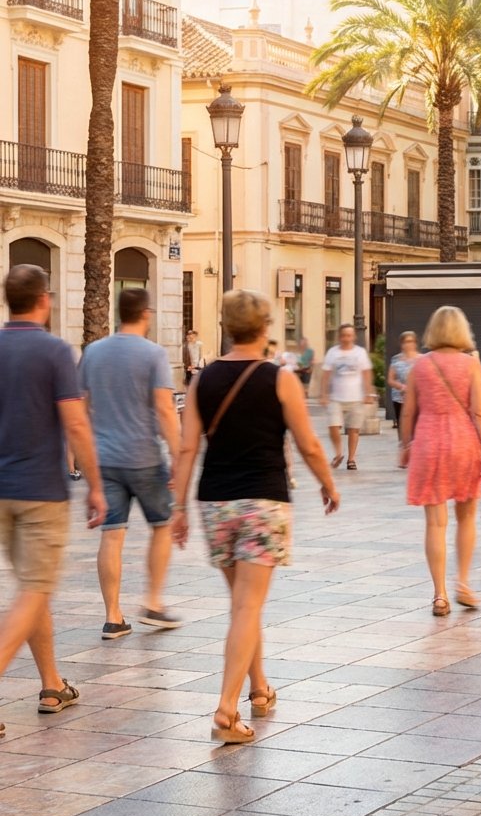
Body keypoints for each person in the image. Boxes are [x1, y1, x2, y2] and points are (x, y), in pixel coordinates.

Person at [171, 289, 340, 744]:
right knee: (248, 605)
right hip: (263, 502)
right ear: (265, 327)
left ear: (225, 326)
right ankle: (226, 710)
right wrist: (327, 482)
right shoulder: (279, 377)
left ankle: (260, 689)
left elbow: (187, 448)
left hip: (215, 503)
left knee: (245, 604)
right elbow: (308, 443)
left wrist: (178, 508)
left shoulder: (201, 380)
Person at [0, 265, 106, 733]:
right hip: (41, 491)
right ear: (44, 299)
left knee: (31, 586)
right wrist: (98, 487)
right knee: (35, 589)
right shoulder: (55, 351)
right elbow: (77, 423)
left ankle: (51, 684)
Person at [80, 287, 181, 638]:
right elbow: (166, 410)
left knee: (112, 534)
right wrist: (180, 455)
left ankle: (113, 616)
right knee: (163, 525)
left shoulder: (93, 352)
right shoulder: (154, 354)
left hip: (104, 459)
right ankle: (153, 601)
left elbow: (81, 405)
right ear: (146, 313)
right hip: (144, 457)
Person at [399, 306, 481, 616]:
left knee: (435, 523)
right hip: (464, 443)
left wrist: (404, 444)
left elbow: (408, 411)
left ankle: (440, 595)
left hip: (429, 443)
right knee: (467, 517)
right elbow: (478, 411)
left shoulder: (420, 366)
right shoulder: (472, 365)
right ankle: (463, 582)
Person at [320, 324, 374, 470]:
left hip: (356, 397)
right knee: (333, 426)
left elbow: (366, 373)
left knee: (353, 429)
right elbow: (325, 374)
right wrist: (324, 394)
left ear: (354, 337)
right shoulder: (333, 353)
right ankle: (339, 453)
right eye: (344, 335)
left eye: (349, 335)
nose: (346, 338)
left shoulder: (360, 352)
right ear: (339, 337)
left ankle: (351, 459)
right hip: (336, 398)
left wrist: (368, 393)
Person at [387, 331, 421, 436]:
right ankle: (404, 446)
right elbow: (390, 379)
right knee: (402, 426)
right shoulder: (396, 359)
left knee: (417, 426)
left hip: (418, 397)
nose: (408, 344)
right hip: (400, 398)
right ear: (401, 344)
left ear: (415, 343)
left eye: (411, 341)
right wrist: (401, 386)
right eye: (406, 342)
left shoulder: (422, 359)